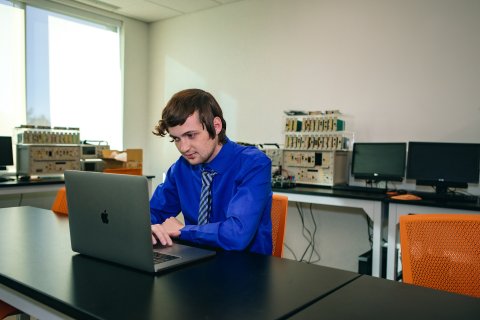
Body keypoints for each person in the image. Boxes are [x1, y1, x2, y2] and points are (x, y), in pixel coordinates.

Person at [150, 88, 273, 255]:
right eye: (176, 139)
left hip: (246, 269)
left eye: (191, 135)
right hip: (194, 262)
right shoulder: (181, 168)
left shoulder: (253, 164)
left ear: (216, 126)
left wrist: (183, 230)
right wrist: (150, 228)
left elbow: (237, 234)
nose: (184, 148)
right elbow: (153, 213)